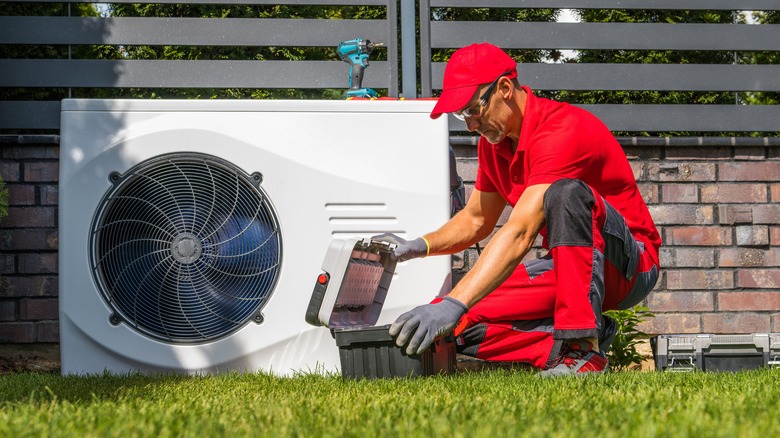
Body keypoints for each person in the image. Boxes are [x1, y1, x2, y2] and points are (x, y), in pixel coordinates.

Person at [373, 42, 661, 376]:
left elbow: (521, 230)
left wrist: (456, 300)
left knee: (566, 194)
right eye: (461, 115)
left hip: (629, 266)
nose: (469, 125)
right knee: (455, 325)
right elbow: (476, 219)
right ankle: (574, 342)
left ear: (505, 89)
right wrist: (418, 246)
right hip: (570, 268)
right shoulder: (494, 146)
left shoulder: (562, 130)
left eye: (473, 110)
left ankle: (582, 349)